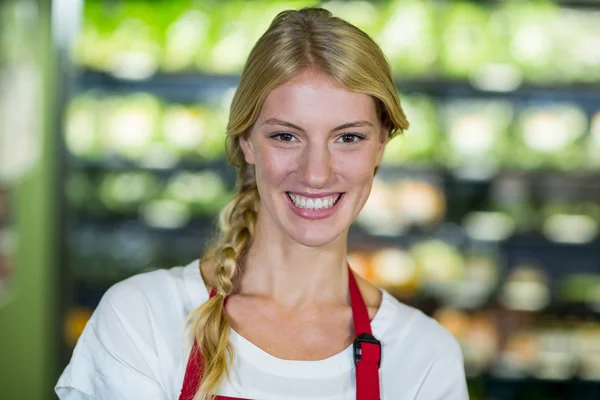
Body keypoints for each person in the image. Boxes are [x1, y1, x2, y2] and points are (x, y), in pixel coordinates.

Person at [56, 7, 468, 400]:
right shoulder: (142, 319)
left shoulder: (424, 358)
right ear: (245, 141)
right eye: (286, 136)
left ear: (381, 145)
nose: (316, 173)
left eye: (349, 138)